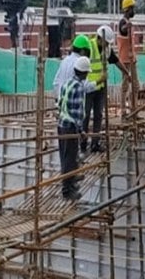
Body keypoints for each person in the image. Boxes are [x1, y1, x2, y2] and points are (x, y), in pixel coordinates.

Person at [82, 26, 122, 154]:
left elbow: (115, 61)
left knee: (98, 115)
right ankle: (82, 143)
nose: (107, 45)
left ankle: (95, 143)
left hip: (100, 88)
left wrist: (126, 73)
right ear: (99, 39)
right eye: (106, 42)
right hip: (89, 87)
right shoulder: (90, 47)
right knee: (86, 115)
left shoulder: (107, 49)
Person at [57, 56, 91, 201]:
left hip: (61, 125)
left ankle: (70, 182)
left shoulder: (67, 83)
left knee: (65, 157)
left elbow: (60, 104)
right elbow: (77, 112)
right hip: (70, 127)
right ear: (84, 73)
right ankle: (67, 190)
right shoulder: (79, 87)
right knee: (70, 159)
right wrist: (81, 130)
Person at [117, 0, 139, 116]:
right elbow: (123, 29)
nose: (133, 11)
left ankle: (134, 108)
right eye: (132, 9)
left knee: (136, 85)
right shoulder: (123, 22)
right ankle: (123, 109)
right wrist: (127, 27)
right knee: (125, 84)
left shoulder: (128, 22)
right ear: (127, 9)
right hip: (125, 59)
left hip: (132, 59)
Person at [54, 35, 90, 100]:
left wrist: (59, 98)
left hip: (62, 103)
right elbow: (85, 86)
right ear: (82, 51)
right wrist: (99, 82)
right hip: (74, 100)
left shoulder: (64, 61)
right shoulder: (80, 63)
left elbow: (56, 82)